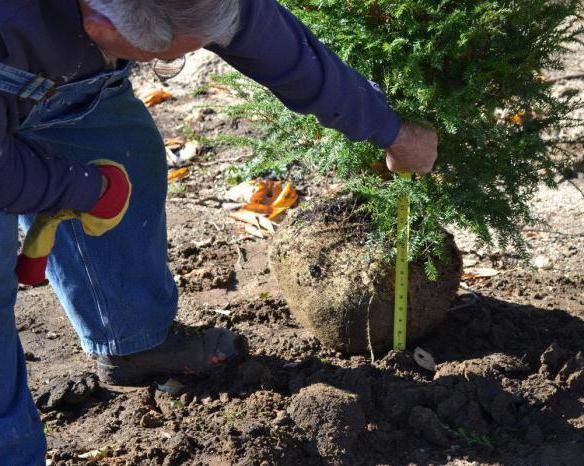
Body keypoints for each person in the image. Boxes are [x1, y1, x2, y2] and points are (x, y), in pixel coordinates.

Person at [0, 0, 438, 463]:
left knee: (129, 159)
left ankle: (134, 344)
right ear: (99, 23)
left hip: (73, 75)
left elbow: (268, 39)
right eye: (164, 59)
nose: (168, 65)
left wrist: (388, 128)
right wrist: (80, 188)